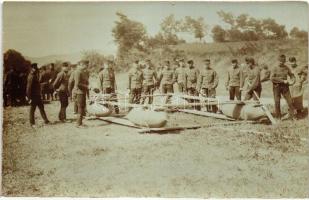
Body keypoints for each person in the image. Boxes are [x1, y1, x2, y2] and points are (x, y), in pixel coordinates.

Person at [270, 54, 296, 120]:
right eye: (280, 61)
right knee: (277, 101)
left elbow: (292, 75)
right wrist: (282, 81)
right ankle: (278, 117)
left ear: (284, 62)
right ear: (278, 61)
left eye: (283, 62)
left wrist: (293, 81)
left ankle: (292, 116)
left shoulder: (286, 68)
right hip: (277, 86)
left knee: (290, 101)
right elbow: (272, 78)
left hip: (285, 87)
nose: (281, 63)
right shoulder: (274, 68)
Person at [26, 63, 50, 127]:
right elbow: (28, 88)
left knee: (41, 108)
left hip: (37, 95)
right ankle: (32, 123)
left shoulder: (34, 75)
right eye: (35, 69)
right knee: (32, 110)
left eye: (36, 69)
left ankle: (46, 120)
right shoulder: (31, 76)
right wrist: (29, 98)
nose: (36, 70)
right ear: (32, 69)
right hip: (33, 96)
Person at [73, 60, 89, 127]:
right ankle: (78, 124)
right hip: (79, 92)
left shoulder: (83, 72)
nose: (87, 66)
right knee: (80, 107)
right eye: (86, 65)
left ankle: (80, 123)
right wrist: (87, 87)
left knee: (82, 107)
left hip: (82, 92)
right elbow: (78, 84)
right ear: (82, 65)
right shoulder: (77, 72)